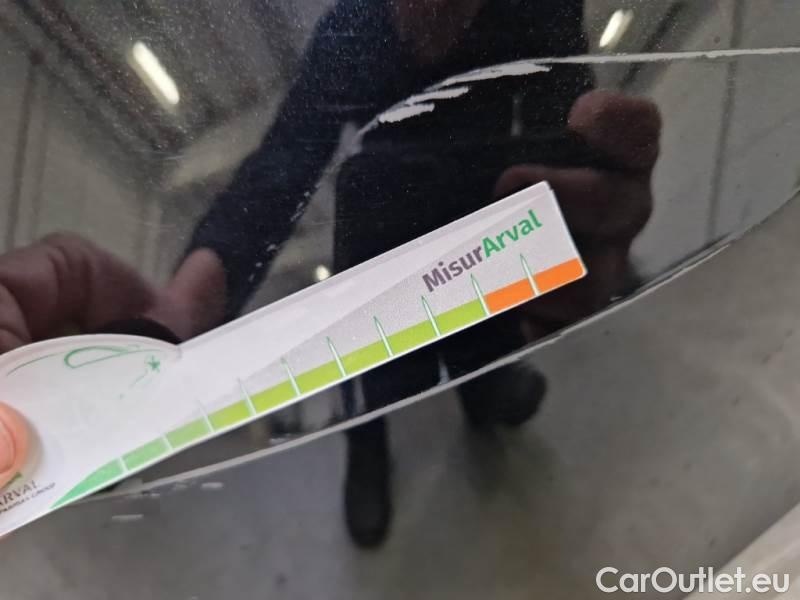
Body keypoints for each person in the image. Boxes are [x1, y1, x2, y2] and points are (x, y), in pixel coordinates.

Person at [0, 0, 660, 548]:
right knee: (375, 363)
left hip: (478, 205)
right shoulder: (352, 27)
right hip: (381, 210)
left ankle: (483, 387)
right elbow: (282, 167)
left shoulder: (537, 6)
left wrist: (580, 212)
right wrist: (174, 317)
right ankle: (366, 450)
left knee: (481, 333)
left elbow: (564, 119)